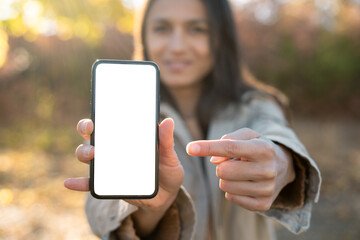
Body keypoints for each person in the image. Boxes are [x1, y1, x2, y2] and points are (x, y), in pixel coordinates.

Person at [64, 0, 321, 239]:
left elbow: (278, 135)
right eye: (162, 28)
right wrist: (153, 208)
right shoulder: (121, 114)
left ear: (221, 37)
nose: (177, 46)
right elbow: (101, 214)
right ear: (144, 36)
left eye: (197, 29)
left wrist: (283, 164)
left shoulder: (255, 105)